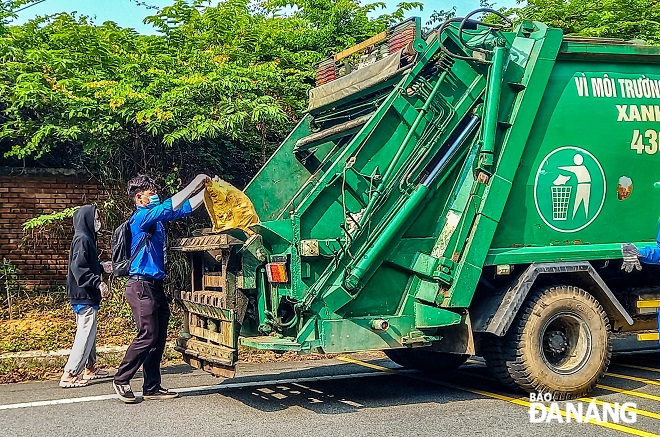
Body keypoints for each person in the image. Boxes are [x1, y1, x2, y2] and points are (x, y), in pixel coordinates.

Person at [112, 173, 209, 403]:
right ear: (139, 198)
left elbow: (182, 208)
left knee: (158, 337)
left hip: (154, 286)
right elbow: (170, 205)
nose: (155, 196)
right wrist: (196, 182)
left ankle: (152, 387)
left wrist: (207, 191)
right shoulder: (141, 218)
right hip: (139, 285)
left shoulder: (155, 219)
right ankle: (121, 379)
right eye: (151, 193)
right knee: (148, 334)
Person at [60, 205, 112, 388]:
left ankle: (90, 368)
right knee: (85, 331)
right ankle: (70, 373)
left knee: (90, 331)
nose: (98, 222)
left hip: (83, 292)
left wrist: (100, 266)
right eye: (95, 219)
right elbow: (79, 268)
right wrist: (98, 282)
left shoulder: (87, 238)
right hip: (83, 293)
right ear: (86, 219)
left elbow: (86, 264)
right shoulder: (83, 239)